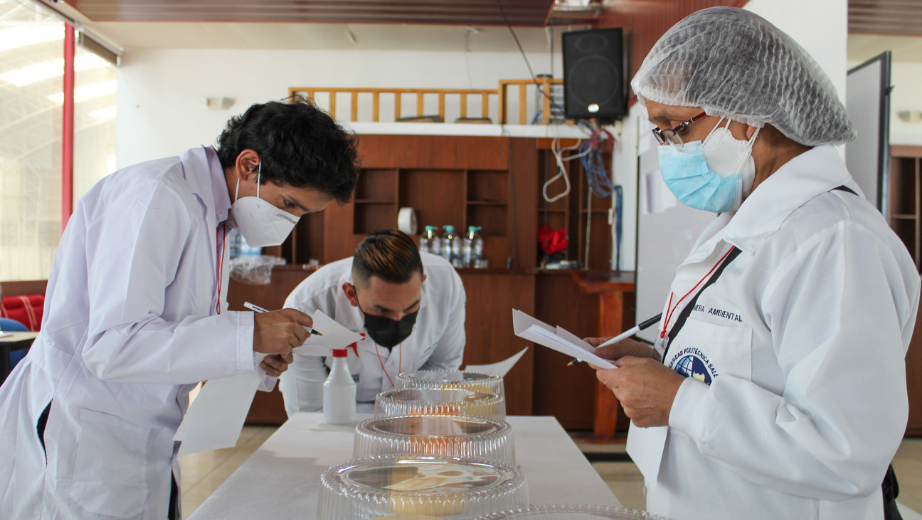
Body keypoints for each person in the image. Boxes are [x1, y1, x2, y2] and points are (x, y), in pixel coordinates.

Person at [586, 7, 920, 520]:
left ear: (743, 114)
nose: (668, 149)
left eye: (673, 128)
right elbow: (753, 361)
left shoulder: (833, 240)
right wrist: (659, 360)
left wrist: (679, 401)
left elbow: (845, 451)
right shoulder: (747, 219)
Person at [0, 99, 359, 520]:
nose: (291, 219)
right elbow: (111, 345)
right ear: (248, 165)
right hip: (86, 431)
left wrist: (254, 354)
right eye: (290, 204)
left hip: (143, 432)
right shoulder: (156, 197)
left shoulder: (215, 216)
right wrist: (247, 335)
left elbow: (181, 330)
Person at [279, 229, 466, 416]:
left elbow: (439, 373)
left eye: (411, 307)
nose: (399, 320)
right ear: (351, 294)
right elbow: (308, 415)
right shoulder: (307, 309)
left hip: (411, 418)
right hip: (339, 417)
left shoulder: (446, 284)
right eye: (382, 310)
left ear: (422, 283)